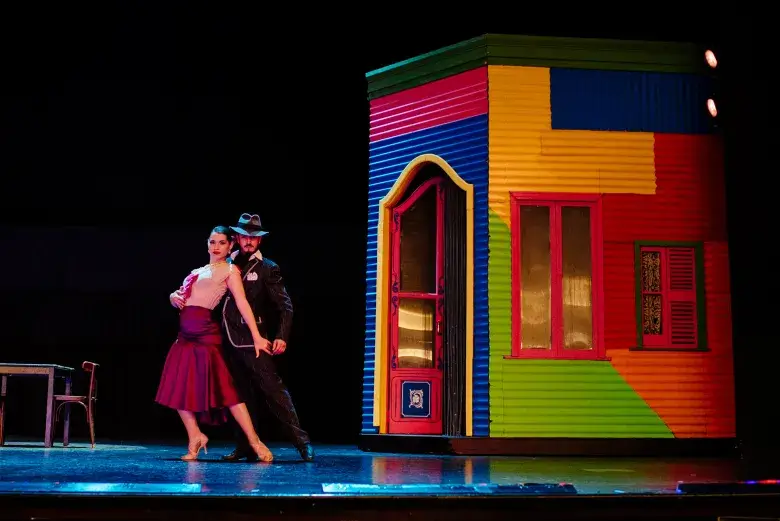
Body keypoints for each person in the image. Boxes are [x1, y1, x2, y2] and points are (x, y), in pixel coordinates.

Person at [155, 225, 274, 463]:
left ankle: (254, 440)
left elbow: (242, 303)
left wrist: (257, 336)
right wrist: (172, 296)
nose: (216, 247)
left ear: (230, 245)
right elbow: (183, 296)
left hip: (204, 333)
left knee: (226, 391)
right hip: (185, 335)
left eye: (221, 242)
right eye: (212, 242)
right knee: (176, 387)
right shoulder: (197, 270)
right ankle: (195, 436)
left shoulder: (230, 271)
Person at [219, 213, 314, 462]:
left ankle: (302, 443)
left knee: (274, 392)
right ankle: (245, 446)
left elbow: (285, 306)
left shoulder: (267, 268)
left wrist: (281, 336)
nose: (248, 241)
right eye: (244, 236)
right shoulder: (226, 264)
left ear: (259, 241)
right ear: (237, 238)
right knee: (239, 396)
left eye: (253, 237)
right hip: (228, 340)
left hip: (255, 340)